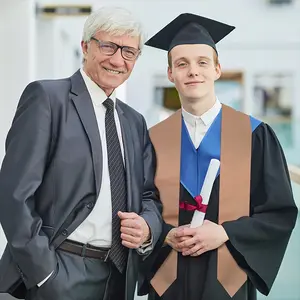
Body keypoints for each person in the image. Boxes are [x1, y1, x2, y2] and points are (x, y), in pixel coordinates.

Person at [0, 6, 162, 300]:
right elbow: (14, 195)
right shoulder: (48, 100)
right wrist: (44, 273)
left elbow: (148, 194)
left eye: (129, 52)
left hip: (118, 276)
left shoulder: (134, 122)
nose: (117, 60)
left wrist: (148, 227)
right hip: (59, 271)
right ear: (85, 46)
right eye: (108, 46)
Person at [137, 13, 298, 300]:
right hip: (169, 280)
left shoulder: (255, 135)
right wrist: (165, 234)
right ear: (171, 74)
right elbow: (139, 206)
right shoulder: (152, 140)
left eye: (202, 62)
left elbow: (278, 212)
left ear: (217, 69)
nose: (193, 71)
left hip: (228, 281)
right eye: (182, 64)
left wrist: (226, 233)